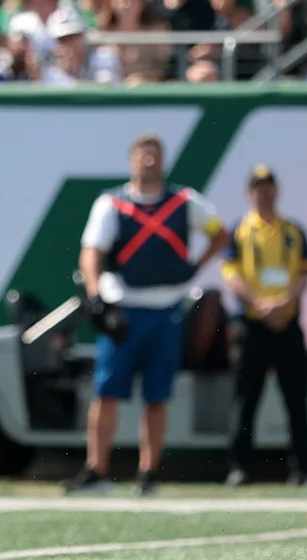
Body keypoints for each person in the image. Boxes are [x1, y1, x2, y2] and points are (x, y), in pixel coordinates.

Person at [63, 133, 229, 496]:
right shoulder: (112, 203)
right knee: (107, 392)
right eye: (143, 156)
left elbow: (220, 234)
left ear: (164, 161)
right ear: (132, 161)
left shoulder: (185, 201)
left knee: (157, 397)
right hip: (124, 310)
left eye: (155, 156)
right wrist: (96, 297)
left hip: (167, 310)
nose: (149, 162)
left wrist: (194, 267)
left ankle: (149, 472)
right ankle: (97, 470)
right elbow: (90, 252)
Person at [221, 165, 307, 486]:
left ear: (276, 191)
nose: (264, 193)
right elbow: (232, 274)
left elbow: (305, 273)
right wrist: (260, 304)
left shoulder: (293, 230)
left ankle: (304, 468)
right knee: (245, 399)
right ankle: (240, 467)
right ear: (249, 193)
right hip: (252, 325)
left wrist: (282, 303)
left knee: (297, 399)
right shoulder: (239, 230)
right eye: (257, 187)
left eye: (268, 187)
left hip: (287, 324)